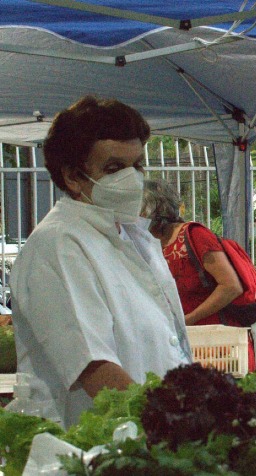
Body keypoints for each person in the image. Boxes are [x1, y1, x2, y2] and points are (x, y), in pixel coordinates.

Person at [9, 96, 191, 428]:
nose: (132, 179)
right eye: (113, 169)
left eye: (136, 165)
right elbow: (96, 369)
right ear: (73, 177)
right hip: (95, 447)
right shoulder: (60, 245)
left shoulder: (133, 237)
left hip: (144, 441)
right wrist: (173, 425)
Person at [140, 179, 256, 371]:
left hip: (217, 342)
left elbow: (231, 286)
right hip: (183, 343)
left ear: (154, 209)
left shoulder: (194, 235)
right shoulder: (149, 243)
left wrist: (189, 319)